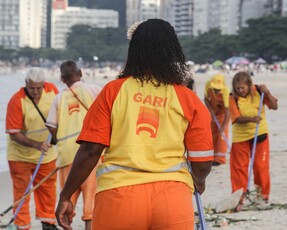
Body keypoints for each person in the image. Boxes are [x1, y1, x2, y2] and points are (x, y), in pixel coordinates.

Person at [55, 19, 213, 230]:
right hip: (172, 199)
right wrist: (199, 181)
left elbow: (91, 150)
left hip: (119, 197)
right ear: (174, 51)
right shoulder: (187, 98)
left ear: (134, 50)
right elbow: (202, 161)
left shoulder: (113, 91)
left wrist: (66, 196)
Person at [46, 60, 102, 230]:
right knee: (90, 202)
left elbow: (51, 125)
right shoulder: (94, 89)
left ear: (62, 79)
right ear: (81, 73)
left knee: (67, 201)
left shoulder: (58, 98)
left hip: (66, 156)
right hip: (92, 153)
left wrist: (57, 140)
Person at [6, 68, 59, 230]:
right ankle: (22, 226)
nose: (35, 92)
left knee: (48, 190)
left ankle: (48, 222)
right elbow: (14, 134)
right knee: (22, 193)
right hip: (20, 156)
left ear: (43, 84)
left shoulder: (52, 91)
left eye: (38, 88)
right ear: (26, 84)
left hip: (47, 155)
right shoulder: (17, 101)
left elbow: (60, 112)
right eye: (32, 88)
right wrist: (37, 145)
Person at [229, 71, 278, 205]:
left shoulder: (258, 92)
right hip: (240, 137)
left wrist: (267, 93)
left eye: (242, 88)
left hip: (260, 134)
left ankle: (262, 196)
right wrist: (252, 119)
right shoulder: (232, 97)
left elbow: (274, 106)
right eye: (237, 88)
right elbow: (236, 118)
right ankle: (239, 198)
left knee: (260, 166)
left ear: (249, 86)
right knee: (239, 169)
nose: (240, 90)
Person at [204, 73, 230, 166]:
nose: (216, 91)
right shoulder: (208, 85)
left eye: (218, 89)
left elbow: (228, 111)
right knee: (212, 133)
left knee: (221, 135)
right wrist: (210, 110)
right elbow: (206, 99)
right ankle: (211, 157)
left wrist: (223, 126)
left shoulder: (226, 91)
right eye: (215, 89)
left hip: (223, 113)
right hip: (213, 112)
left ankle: (220, 159)